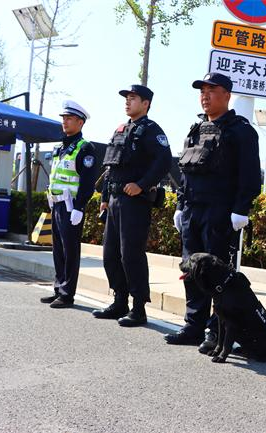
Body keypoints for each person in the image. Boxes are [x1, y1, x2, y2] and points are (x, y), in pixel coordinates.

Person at [164, 72, 260, 353]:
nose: (205, 95)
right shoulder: (195, 130)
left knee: (217, 276)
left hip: (221, 213)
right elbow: (186, 173)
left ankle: (215, 331)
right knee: (192, 271)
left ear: (227, 95)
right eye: (202, 91)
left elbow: (250, 176)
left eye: (212, 90)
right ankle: (193, 325)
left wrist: (241, 209)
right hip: (193, 211)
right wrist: (180, 205)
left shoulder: (241, 130)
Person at [91, 84, 172, 327]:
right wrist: (104, 198)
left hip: (135, 202)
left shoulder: (151, 130)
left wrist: (142, 184)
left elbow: (164, 161)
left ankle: (138, 308)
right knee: (110, 254)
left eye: (133, 98)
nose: (127, 102)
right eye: (126, 98)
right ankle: (119, 301)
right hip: (114, 200)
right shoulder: (120, 129)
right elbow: (110, 168)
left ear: (146, 103)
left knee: (131, 255)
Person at [40, 100, 96, 308]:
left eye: (69, 118)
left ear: (80, 123)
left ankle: (67, 293)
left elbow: (88, 182)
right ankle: (58, 288)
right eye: (63, 118)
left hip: (71, 206)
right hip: (56, 204)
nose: (65, 122)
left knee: (70, 250)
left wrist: (80, 207)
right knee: (57, 249)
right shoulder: (60, 148)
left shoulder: (85, 148)